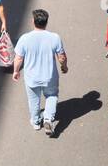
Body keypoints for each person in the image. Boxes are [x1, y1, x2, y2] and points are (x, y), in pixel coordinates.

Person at [12, 8, 68, 136]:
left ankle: (36, 122)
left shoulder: (25, 38)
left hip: (32, 78)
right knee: (52, 96)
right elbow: (62, 57)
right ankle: (48, 119)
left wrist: (16, 71)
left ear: (33, 21)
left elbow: (18, 58)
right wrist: (64, 67)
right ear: (46, 22)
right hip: (50, 77)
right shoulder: (55, 38)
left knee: (34, 100)